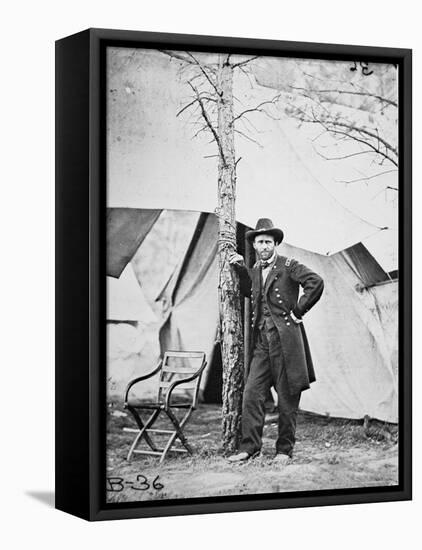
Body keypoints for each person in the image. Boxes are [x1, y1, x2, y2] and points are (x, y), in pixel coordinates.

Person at [228, 218, 324, 465]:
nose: (263, 247)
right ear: (255, 245)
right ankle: (250, 448)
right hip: (262, 343)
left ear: (276, 243)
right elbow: (252, 291)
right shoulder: (257, 268)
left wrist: (299, 311)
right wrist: (240, 269)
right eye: (259, 242)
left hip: (285, 343)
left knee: (287, 398)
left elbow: (316, 282)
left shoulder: (288, 266)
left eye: (268, 242)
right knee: (251, 394)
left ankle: (284, 450)